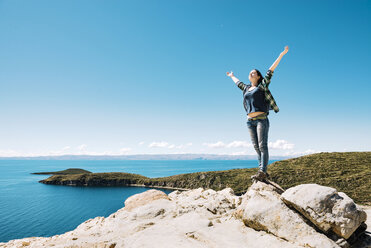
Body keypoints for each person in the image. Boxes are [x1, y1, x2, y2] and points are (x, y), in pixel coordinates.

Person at [226, 46, 289, 181]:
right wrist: (231, 76)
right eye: (250, 73)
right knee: (256, 147)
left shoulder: (262, 87)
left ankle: (262, 171)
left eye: (254, 73)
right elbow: (238, 83)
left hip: (261, 119)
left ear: (258, 76)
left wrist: (281, 54)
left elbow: (270, 71)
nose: (251, 74)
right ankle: (262, 171)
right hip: (249, 121)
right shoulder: (246, 88)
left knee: (262, 145)